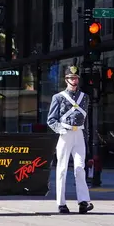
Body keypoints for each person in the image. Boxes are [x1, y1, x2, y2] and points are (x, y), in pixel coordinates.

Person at [47, 65, 94, 214]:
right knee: (62, 169)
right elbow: (51, 119)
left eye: (76, 78)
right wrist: (61, 130)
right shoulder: (58, 97)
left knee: (80, 168)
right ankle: (61, 203)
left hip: (79, 134)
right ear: (66, 80)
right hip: (65, 133)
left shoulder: (84, 97)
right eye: (71, 78)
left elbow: (85, 119)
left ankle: (83, 201)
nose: (74, 81)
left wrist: (86, 137)